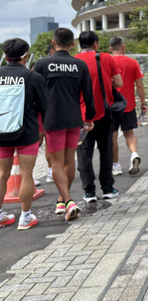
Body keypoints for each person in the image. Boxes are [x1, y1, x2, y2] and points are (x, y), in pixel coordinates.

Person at [33, 28, 95, 220]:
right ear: (72, 44)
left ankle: (68, 200)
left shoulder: (42, 64)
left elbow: (34, 93)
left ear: (53, 43)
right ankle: (62, 199)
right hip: (74, 119)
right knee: (69, 161)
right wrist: (89, 118)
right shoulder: (80, 65)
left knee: (57, 163)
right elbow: (88, 93)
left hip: (53, 119)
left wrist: (36, 119)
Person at [0, 39, 48, 230]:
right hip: (27, 132)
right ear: (26, 56)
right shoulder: (33, 77)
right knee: (27, 174)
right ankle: (25, 217)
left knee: (2, 174)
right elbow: (45, 107)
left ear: (5, 56)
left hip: (1, 132)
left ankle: (0, 215)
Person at [75, 31, 123, 201]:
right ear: (96, 43)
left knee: (84, 154)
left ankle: (89, 192)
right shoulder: (106, 58)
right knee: (106, 151)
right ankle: (108, 188)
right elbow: (119, 82)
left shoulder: (74, 61)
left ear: (79, 44)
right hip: (104, 112)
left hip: (81, 116)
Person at [109, 37, 146, 176]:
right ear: (123, 47)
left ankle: (116, 165)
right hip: (128, 105)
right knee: (129, 134)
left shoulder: (107, 61)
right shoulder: (132, 62)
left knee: (113, 135)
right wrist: (143, 102)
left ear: (110, 48)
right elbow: (139, 85)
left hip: (112, 105)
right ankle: (134, 154)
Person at [39, 42, 55, 184]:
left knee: (48, 142)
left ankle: (51, 170)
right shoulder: (41, 65)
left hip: (50, 110)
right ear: (51, 51)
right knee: (40, 142)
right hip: (43, 110)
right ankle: (50, 171)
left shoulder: (41, 65)